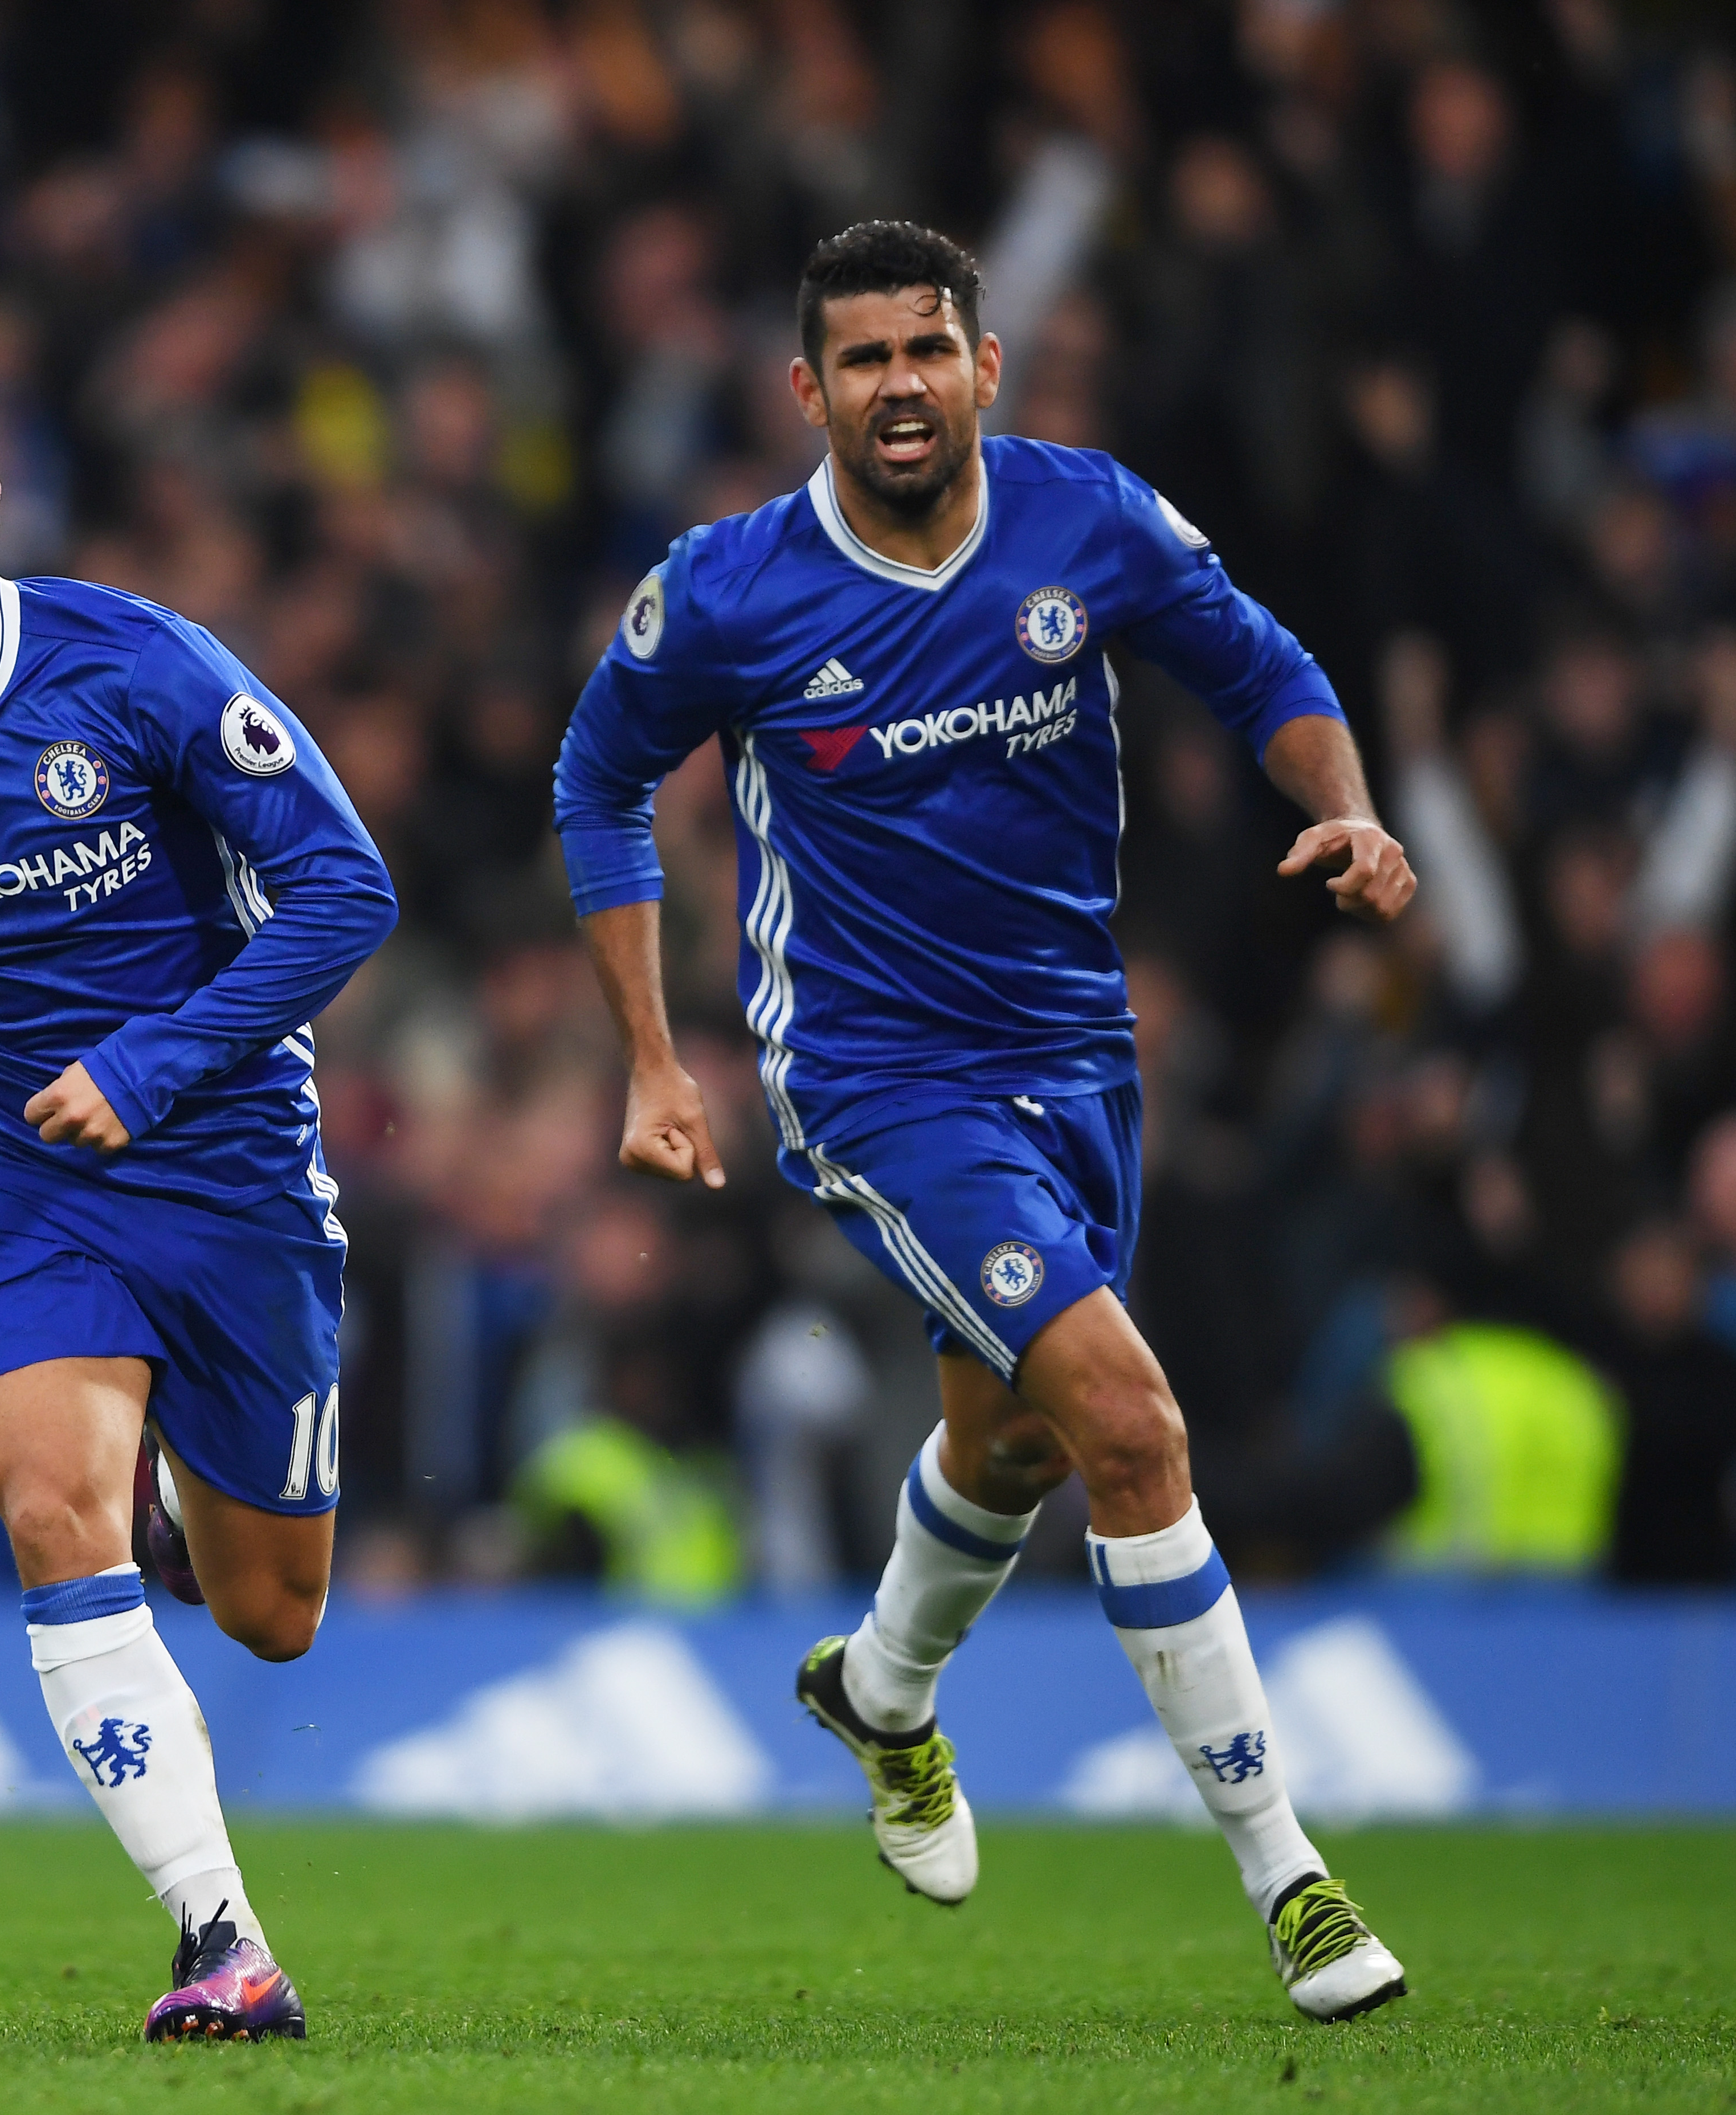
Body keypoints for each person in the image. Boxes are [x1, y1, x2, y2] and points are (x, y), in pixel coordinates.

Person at [553, 222, 1417, 2022]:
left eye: (925, 350)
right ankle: (1291, 1884)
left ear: (982, 367)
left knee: (1012, 1443)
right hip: (874, 1076)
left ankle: (876, 1691)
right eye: (862, 359)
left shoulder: (1082, 519)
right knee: (1127, 1425)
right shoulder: (725, 591)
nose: (898, 386)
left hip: (1075, 1055)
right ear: (806, 391)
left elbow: (1263, 670)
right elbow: (595, 779)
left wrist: (1342, 805)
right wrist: (647, 1054)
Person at [0, 352, 394, 2041]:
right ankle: (222, 1937)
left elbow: (347, 889)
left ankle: (179, 1501)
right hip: (7, 1183)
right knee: (51, 1504)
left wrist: (149, 1064)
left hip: (226, 1165)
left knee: (272, 1614)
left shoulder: (136, 667)